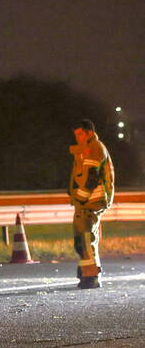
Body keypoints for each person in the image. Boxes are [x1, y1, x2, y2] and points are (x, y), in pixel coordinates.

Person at [68, 118, 114, 288]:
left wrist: (80, 196)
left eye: (80, 134)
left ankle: (91, 277)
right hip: (85, 202)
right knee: (82, 240)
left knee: (86, 239)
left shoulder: (94, 147)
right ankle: (86, 275)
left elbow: (91, 177)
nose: (77, 138)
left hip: (90, 200)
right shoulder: (86, 149)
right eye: (76, 135)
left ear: (89, 132)